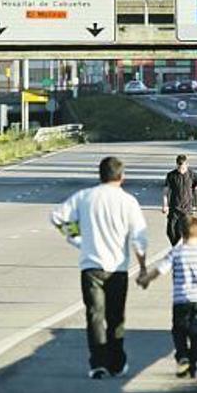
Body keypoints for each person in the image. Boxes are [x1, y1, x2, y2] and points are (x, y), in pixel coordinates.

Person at [51, 157, 148, 380]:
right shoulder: (128, 201)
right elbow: (139, 238)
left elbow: (57, 216)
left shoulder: (85, 197)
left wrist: (76, 238)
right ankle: (116, 361)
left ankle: (98, 364)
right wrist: (142, 266)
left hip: (91, 266)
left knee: (95, 316)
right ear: (122, 177)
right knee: (116, 317)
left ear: (100, 175)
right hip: (118, 268)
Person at [137, 215, 197, 380]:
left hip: (181, 299)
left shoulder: (176, 252)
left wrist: (145, 279)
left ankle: (182, 356)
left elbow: (160, 270)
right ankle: (196, 365)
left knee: (179, 331)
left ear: (180, 232)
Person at [162, 154, 197, 246]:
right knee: (170, 231)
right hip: (174, 208)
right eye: (179, 167)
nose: (181, 169)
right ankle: (176, 247)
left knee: (186, 232)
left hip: (187, 209)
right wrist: (165, 205)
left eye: (182, 167)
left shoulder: (193, 175)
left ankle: (184, 250)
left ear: (187, 164)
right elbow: (165, 192)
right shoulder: (171, 175)